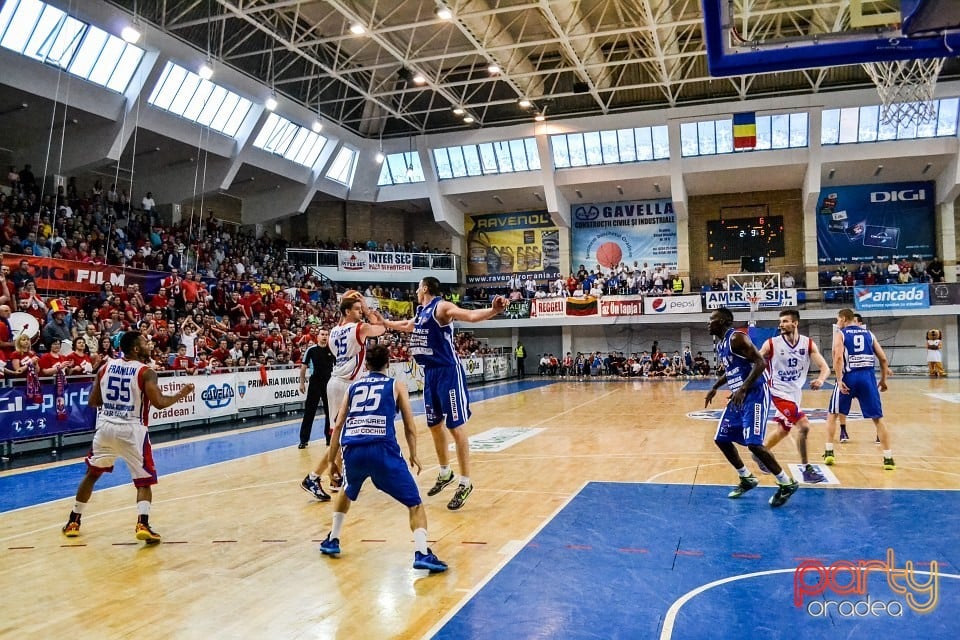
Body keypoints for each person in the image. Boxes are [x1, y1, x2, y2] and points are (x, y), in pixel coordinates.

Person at [379, 277, 507, 510]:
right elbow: (408, 325)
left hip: (448, 372)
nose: (416, 290)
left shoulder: (442, 307)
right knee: (434, 425)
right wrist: (385, 322)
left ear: (426, 288)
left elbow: (468, 315)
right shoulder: (421, 312)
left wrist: (493, 310)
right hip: (430, 374)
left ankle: (465, 482)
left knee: (455, 427)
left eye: (418, 287)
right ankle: (445, 472)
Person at [318, 345, 447, 573]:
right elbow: (409, 424)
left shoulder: (354, 386)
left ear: (365, 365)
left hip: (353, 449)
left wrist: (331, 460)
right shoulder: (396, 385)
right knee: (415, 504)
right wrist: (413, 453)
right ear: (388, 364)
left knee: (347, 489)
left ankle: (333, 540)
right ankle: (422, 553)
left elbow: (337, 425)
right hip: (382, 449)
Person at [61, 331, 194, 543]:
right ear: (135, 348)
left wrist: (115, 406)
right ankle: (143, 524)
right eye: (144, 341)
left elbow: (94, 401)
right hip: (132, 430)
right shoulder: (146, 372)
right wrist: (181, 394)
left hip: (105, 427)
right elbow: (159, 403)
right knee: (143, 482)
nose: (148, 343)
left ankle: (73, 521)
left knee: (92, 474)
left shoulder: (105, 367)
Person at [704, 307, 799, 507]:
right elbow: (731, 371)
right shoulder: (722, 345)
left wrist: (743, 388)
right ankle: (746, 477)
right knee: (721, 438)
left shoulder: (737, 338)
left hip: (754, 394)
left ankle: (786, 482)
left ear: (722, 321)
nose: (708, 323)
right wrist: (714, 387)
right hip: (739, 396)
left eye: (712, 319)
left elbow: (760, 363)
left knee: (754, 443)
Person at [301, 295, 386, 499]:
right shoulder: (360, 328)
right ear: (348, 311)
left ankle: (335, 477)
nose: (360, 311)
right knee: (342, 437)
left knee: (340, 436)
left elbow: (341, 331)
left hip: (335, 383)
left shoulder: (333, 332)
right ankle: (314, 477)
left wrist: (348, 306)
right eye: (356, 309)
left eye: (360, 309)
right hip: (347, 385)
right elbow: (381, 327)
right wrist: (367, 309)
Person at [754, 310, 831, 484]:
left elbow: (825, 367)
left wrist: (820, 379)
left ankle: (760, 453)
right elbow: (756, 360)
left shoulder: (808, 343)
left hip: (795, 392)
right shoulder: (771, 343)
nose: (781, 324)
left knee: (783, 430)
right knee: (804, 426)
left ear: (795, 323)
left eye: (785, 321)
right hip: (778, 392)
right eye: (780, 321)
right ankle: (806, 470)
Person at [824, 308, 895, 470]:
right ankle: (888, 458)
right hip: (868, 378)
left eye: (838, 319)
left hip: (849, 377)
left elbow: (838, 357)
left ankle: (829, 451)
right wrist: (883, 381)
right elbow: (883, 359)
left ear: (843, 319)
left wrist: (839, 379)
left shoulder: (840, 334)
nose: (837, 322)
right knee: (878, 418)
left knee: (833, 413)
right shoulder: (870, 334)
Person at [298, 327, 334, 450]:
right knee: (309, 411)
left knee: (329, 412)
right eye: (322, 334)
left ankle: (329, 439)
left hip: (328, 384)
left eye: (326, 334)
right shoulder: (311, 350)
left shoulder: (332, 350)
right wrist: (302, 383)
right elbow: (303, 368)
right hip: (315, 383)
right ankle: (304, 440)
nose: (324, 336)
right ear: (317, 336)